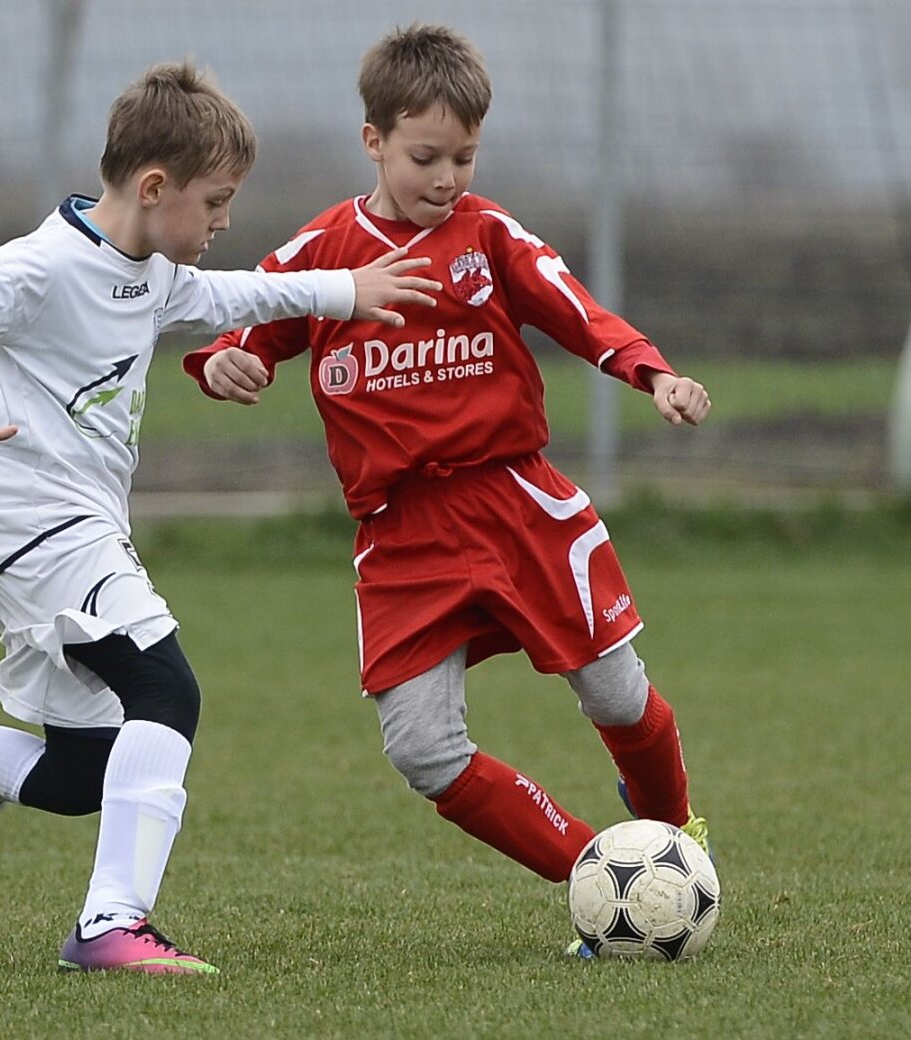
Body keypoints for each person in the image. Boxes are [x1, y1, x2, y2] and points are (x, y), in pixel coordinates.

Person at [0, 60, 440, 976]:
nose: (223, 222)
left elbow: (234, 298)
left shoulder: (150, 269)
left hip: (55, 527)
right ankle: (112, 924)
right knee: (168, 692)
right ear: (153, 187)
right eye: (216, 201)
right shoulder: (43, 266)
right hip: (29, 518)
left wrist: (343, 291)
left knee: (79, 777)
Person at [183, 24, 713, 957]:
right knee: (423, 751)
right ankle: (605, 878)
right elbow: (240, 319)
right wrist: (224, 363)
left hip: (517, 504)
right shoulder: (325, 250)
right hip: (402, 535)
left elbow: (579, 312)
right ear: (374, 141)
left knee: (618, 696)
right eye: (426, 156)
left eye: (464, 156)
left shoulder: (488, 236)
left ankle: (676, 844)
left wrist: (651, 373)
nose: (447, 177)